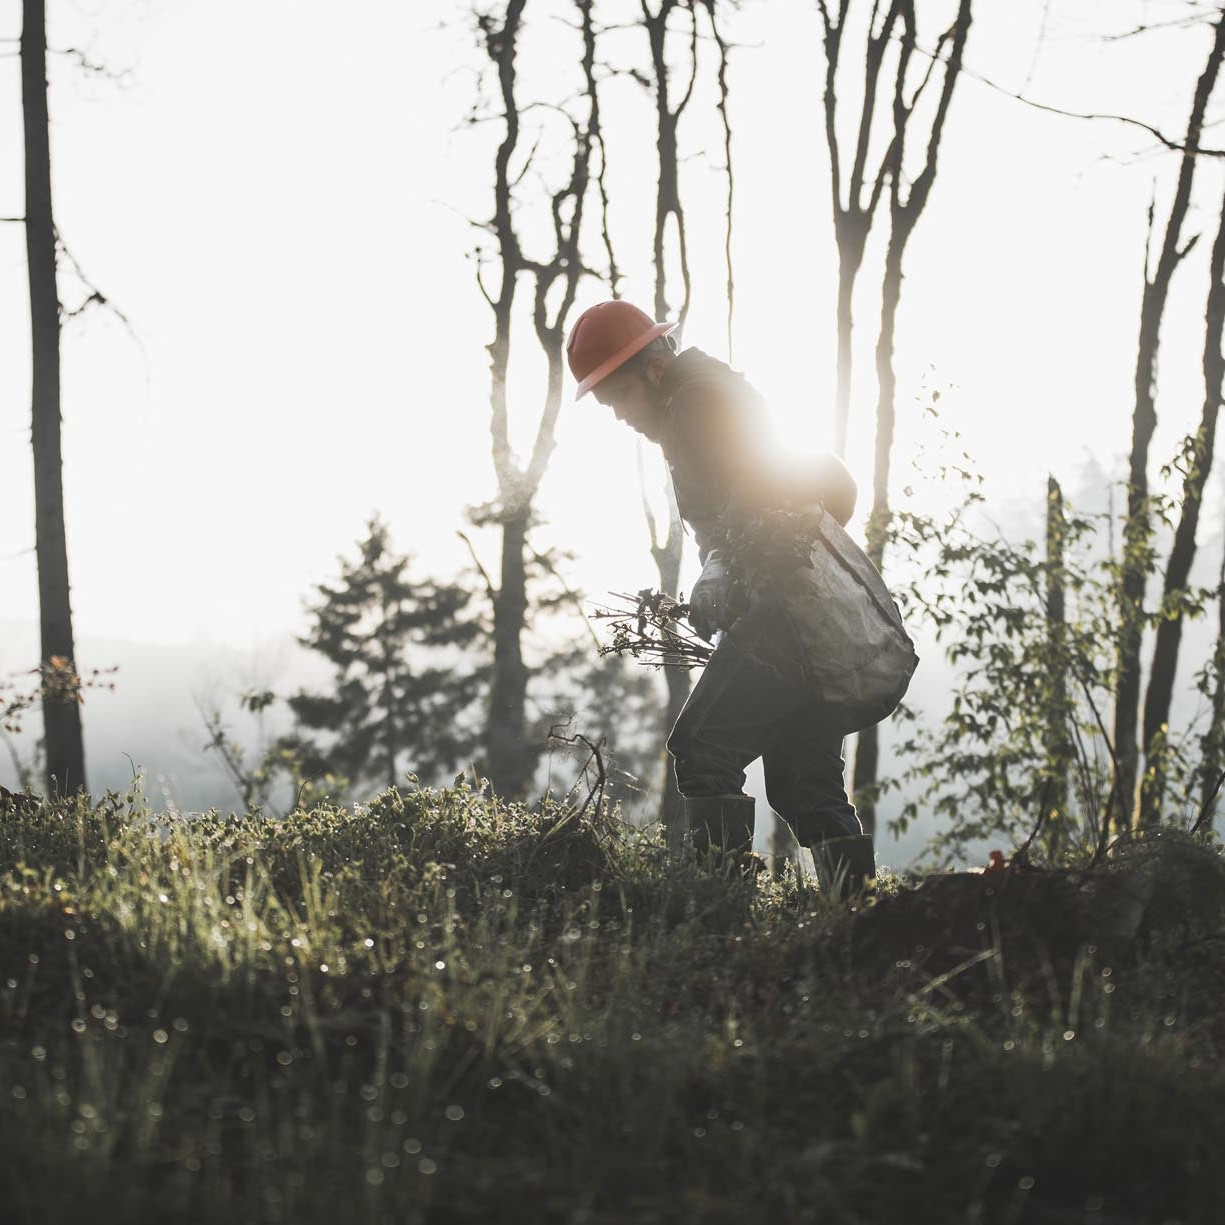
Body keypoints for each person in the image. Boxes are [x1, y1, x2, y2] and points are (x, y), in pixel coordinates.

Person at [566, 299, 886, 892]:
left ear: (653, 372)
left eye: (618, 399)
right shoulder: (706, 391)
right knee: (805, 783)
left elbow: (752, 488)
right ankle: (857, 924)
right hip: (809, 615)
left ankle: (720, 916)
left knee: (703, 748)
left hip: (786, 615)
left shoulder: (695, 402)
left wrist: (717, 571)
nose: (618, 417)